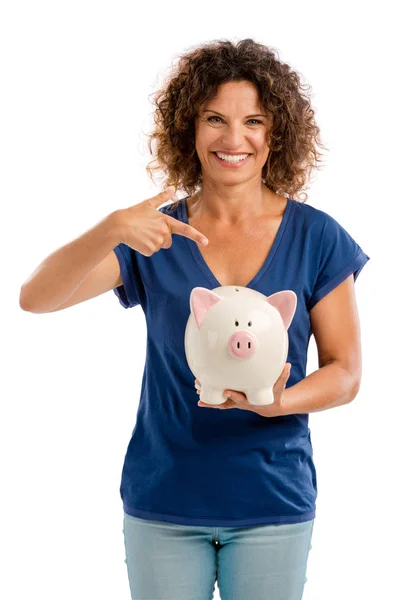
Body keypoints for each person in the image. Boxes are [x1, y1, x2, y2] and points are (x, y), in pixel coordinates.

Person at [20, 38, 370, 600]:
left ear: (275, 133)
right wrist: (112, 227)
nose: (234, 140)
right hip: (164, 498)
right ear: (190, 128)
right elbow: (36, 297)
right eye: (215, 119)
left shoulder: (317, 236)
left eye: (253, 121)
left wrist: (275, 403)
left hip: (271, 501)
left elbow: (345, 372)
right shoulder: (154, 235)